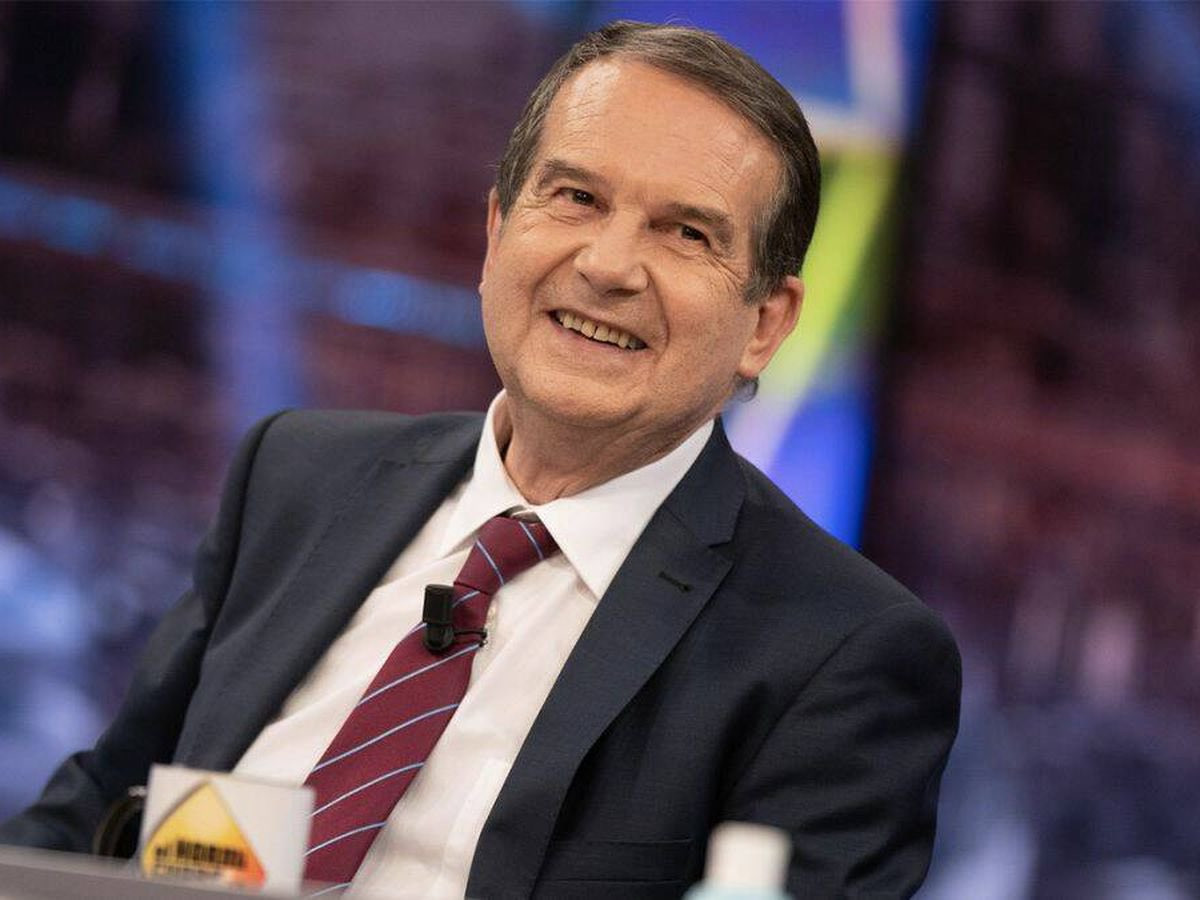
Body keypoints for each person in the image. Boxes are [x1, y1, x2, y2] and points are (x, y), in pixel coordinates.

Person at [0, 21, 960, 899]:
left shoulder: (843, 655)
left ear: (766, 323)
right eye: (576, 198)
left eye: (685, 233)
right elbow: (96, 818)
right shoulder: (295, 477)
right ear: (498, 231)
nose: (608, 264)